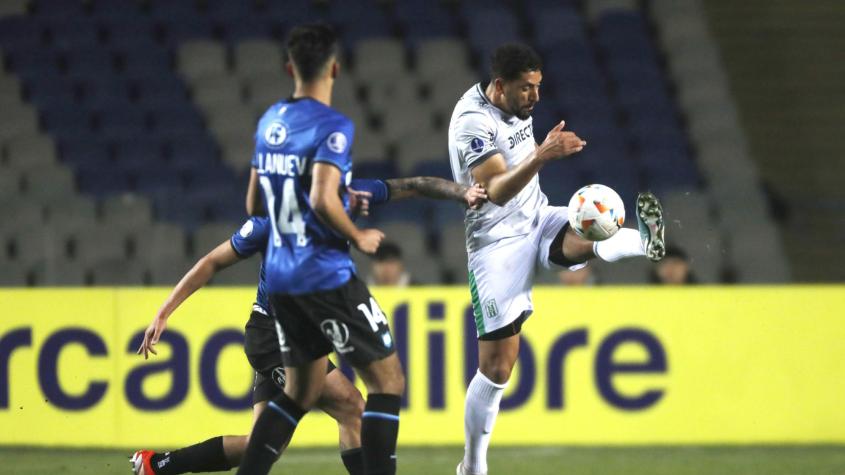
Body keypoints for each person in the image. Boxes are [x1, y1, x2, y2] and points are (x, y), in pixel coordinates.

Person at [238, 23, 487, 475]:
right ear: (335, 68)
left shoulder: (270, 121)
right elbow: (320, 197)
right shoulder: (333, 126)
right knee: (388, 380)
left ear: (288, 67)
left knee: (298, 394)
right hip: (324, 275)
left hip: (281, 280)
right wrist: (357, 235)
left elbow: (255, 203)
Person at [129, 177, 485, 475]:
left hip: (299, 330)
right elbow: (211, 262)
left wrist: (462, 192)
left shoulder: (348, 194)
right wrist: (164, 312)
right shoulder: (270, 220)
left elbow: (412, 185)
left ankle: (157, 465)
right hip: (273, 333)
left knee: (263, 443)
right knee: (352, 406)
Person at [448, 43, 666, 475]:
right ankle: (472, 467)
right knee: (496, 367)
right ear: (499, 85)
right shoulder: (472, 122)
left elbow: (521, 181)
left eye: (538, 86)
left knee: (588, 224)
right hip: (496, 243)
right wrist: (543, 154)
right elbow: (494, 190)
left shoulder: (518, 109)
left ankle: (646, 241)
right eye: (526, 88)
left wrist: (540, 155)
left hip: (537, 216)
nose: (534, 96)